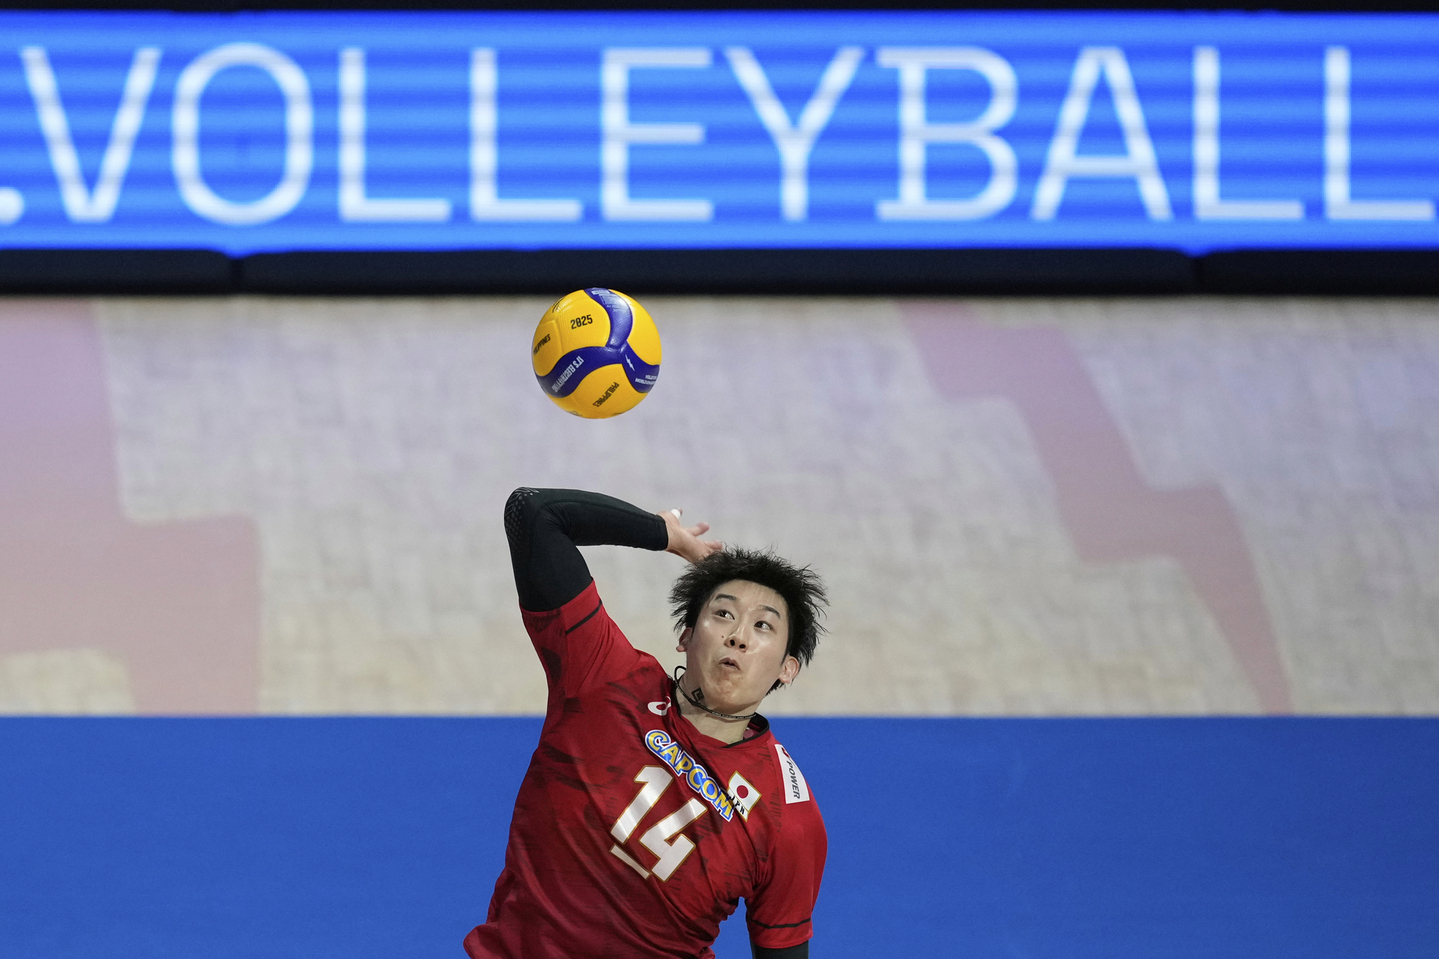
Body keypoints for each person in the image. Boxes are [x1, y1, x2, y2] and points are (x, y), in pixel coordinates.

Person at [464, 488, 828, 959]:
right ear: (686, 636)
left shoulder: (787, 817)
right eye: (723, 614)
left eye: (763, 626)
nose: (738, 636)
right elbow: (534, 513)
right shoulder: (603, 679)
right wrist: (662, 534)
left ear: (787, 668)